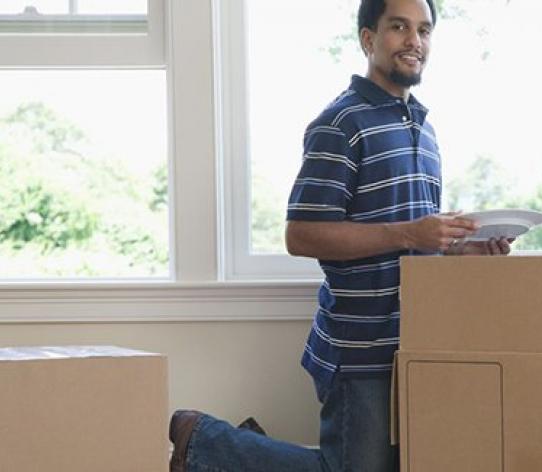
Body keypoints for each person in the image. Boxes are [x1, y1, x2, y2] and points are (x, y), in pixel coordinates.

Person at [168, 1, 511, 471]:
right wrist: (410, 231)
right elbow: (302, 234)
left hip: (412, 344)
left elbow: (412, 242)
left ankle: (231, 447)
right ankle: (207, 442)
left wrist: (460, 248)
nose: (415, 41)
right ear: (369, 39)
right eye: (399, 27)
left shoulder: (424, 133)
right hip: (359, 349)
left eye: (424, 30)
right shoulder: (341, 124)